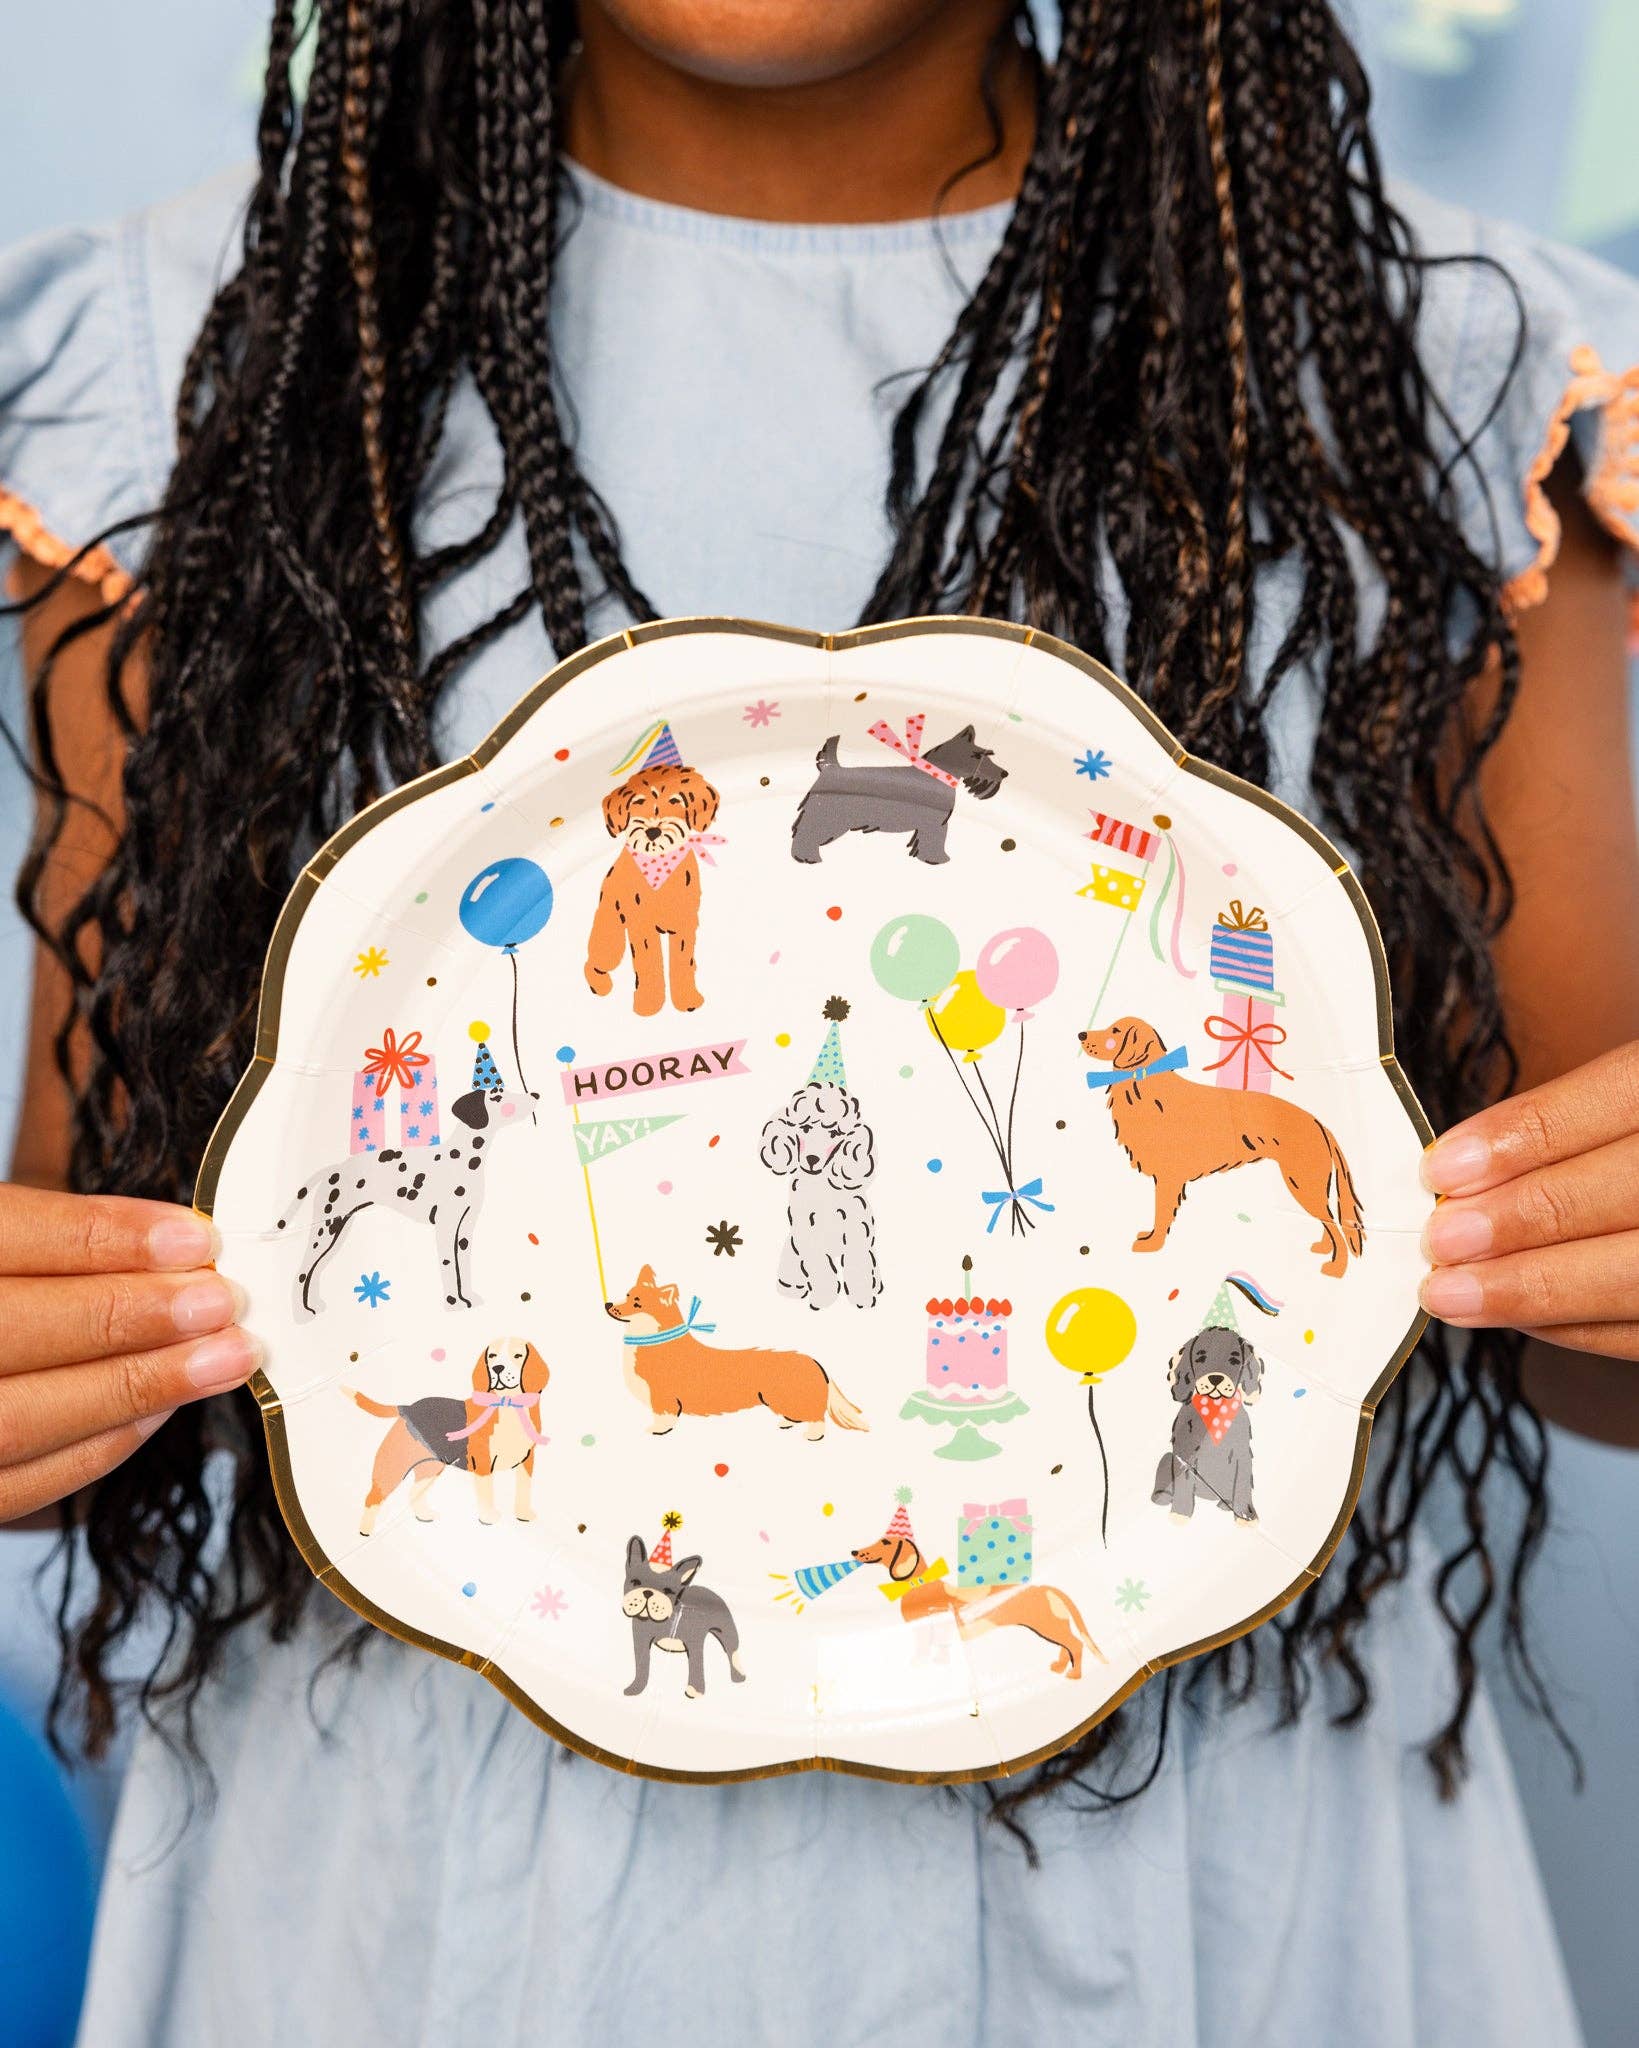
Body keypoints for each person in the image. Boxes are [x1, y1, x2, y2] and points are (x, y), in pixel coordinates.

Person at [2, 3, 1636, 2042]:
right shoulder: (203, 377)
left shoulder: (1431, 388)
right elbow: (102, 1271)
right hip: (433, 1922)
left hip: (1229, 1911)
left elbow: (1565, 1306)